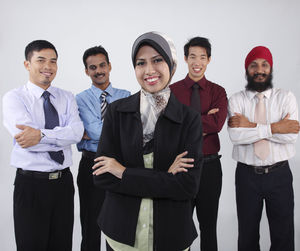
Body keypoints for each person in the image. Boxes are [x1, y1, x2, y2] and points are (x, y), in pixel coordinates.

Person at [92, 32, 203, 251]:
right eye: (141, 63)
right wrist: (166, 178)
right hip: (120, 236)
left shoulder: (189, 119)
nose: (149, 70)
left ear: (171, 65)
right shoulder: (117, 112)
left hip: (170, 236)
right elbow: (102, 177)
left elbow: (187, 186)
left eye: (158, 60)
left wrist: (123, 172)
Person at [2, 40, 84, 251]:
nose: (48, 66)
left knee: (62, 245)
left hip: (63, 184)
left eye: (53, 61)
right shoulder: (14, 98)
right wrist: (59, 135)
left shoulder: (66, 97)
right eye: (41, 60)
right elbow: (26, 141)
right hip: (31, 186)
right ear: (27, 64)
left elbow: (76, 133)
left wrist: (39, 135)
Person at [228, 46, 299, 251]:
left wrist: (250, 125)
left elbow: (291, 135)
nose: (259, 70)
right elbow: (236, 136)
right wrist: (276, 127)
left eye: (264, 64)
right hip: (247, 176)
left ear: (271, 68)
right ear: (246, 70)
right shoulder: (236, 100)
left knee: (283, 235)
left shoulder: (286, 98)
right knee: (247, 236)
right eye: (254, 65)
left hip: (280, 175)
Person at [170, 37, 227, 251]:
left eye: (202, 57)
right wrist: (204, 119)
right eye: (192, 56)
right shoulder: (172, 91)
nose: (197, 62)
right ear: (185, 59)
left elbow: (217, 124)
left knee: (208, 227)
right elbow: (170, 128)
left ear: (209, 60)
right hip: (181, 166)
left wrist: (187, 122)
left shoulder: (218, 92)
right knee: (179, 228)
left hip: (210, 168)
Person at [76, 45, 130, 251]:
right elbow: (97, 130)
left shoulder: (125, 95)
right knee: (90, 224)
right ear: (86, 71)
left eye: (102, 65)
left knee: (117, 224)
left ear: (109, 66)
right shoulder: (80, 99)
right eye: (92, 67)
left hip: (120, 163)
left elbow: (130, 132)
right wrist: (115, 130)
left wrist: (93, 131)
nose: (98, 70)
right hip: (91, 163)